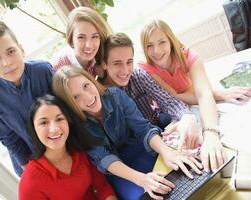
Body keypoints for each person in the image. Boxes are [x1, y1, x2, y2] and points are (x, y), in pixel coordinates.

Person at [52, 66, 203, 200]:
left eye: (86, 85)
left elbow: (143, 128)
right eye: (75, 97)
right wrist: (141, 179)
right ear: (69, 104)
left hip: (140, 150)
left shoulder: (115, 96)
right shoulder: (76, 126)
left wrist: (167, 152)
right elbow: (104, 159)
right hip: (117, 170)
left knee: (179, 173)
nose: (87, 96)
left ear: (92, 81)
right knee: (143, 195)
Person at [138, 19, 239, 172]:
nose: (156, 51)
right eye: (149, 46)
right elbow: (174, 97)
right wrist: (219, 94)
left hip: (196, 99)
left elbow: (203, 93)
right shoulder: (146, 68)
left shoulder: (189, 56)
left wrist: (211, 134)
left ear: (171, 40)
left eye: (162, 42)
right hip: (176, 111)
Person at [0, 20, 53, 176]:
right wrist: (36, 174)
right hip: (30, 162)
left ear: (21, 49)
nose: (6, 63)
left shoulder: (43, 70)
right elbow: (9, 139)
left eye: (11, 51)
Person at [101, 32, 200, 149]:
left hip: (158, 126)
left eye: (129, 62)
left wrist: (187, 117)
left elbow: (167, 100)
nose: (125, 70)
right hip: (135, 145)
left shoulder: (138, 75)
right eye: (117, 63)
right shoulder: (101, 95)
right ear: (104, 64)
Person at [19, 94, 117, 200]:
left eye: (59, 119)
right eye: (44, 122)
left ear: (68, 122)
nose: (54, 129)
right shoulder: (30, 182)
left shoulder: (81, 152)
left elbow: (102, 188)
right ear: (34, 129)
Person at [50, 6, 111, 77]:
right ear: (71, 40)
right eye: (81, 37)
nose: (89, 45)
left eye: (94, 36)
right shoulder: (58, 70)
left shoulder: (100, 58)